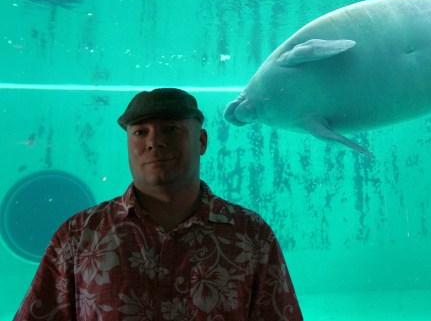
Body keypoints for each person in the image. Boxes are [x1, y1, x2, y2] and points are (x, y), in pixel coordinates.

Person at [14, 88, 303, 321]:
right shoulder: (79, 235)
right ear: (128, 143)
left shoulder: (251, 235)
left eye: (171, 129)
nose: (155, 142)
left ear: (201, 141)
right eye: (140, 132)